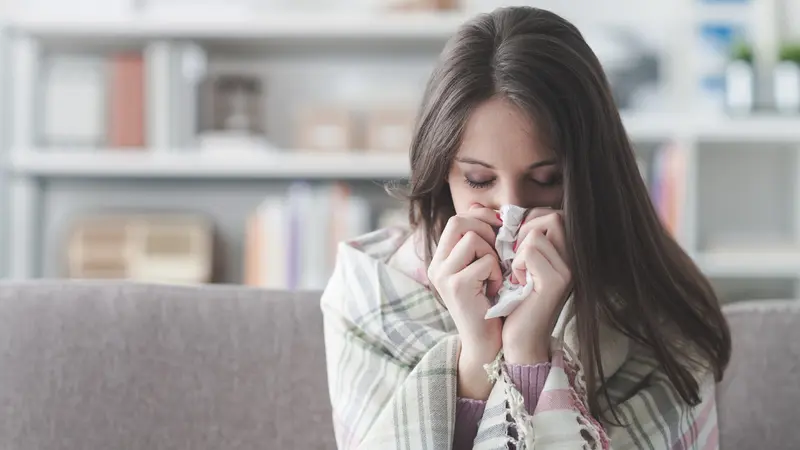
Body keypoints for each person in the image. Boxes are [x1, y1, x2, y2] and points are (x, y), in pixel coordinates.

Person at [320, 6, 731, 450]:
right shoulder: (372, 292)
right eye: (479, 180)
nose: (511, 211)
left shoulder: (657, 313)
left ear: (591, 174)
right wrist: (476, 357)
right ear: (441, 172)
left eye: (546, 180)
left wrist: (529, 353)